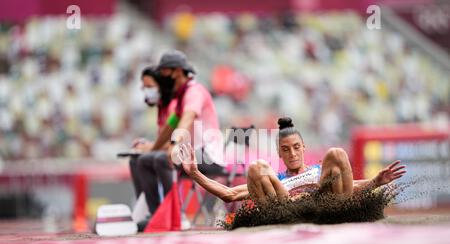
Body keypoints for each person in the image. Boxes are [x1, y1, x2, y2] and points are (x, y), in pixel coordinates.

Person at [178, 117, 406, 205]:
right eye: (286, 150)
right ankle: (286, 210)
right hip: (286, 208)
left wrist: (377, 180)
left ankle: (340, 209)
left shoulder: (319, 173)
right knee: (257, 167)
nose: (293, 154)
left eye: (297, 148)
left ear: (304, 148)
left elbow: (354, 186)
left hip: (329, 207)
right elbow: (229, 194)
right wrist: (195, 173)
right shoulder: (274, 179)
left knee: (336, 153)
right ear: (280, 153)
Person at [130, 50, 222, 230]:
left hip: (208, 155)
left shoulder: (194, 92)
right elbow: (170, 126)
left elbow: (187, 119)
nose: (162, 77)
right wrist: (153, 147)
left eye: (164, 72)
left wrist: (174, 144)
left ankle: (177, 216)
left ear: (177, 72)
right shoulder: (180, 97)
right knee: (144, 160)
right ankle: (158, 215)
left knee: (162, 158)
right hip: (193, 153)